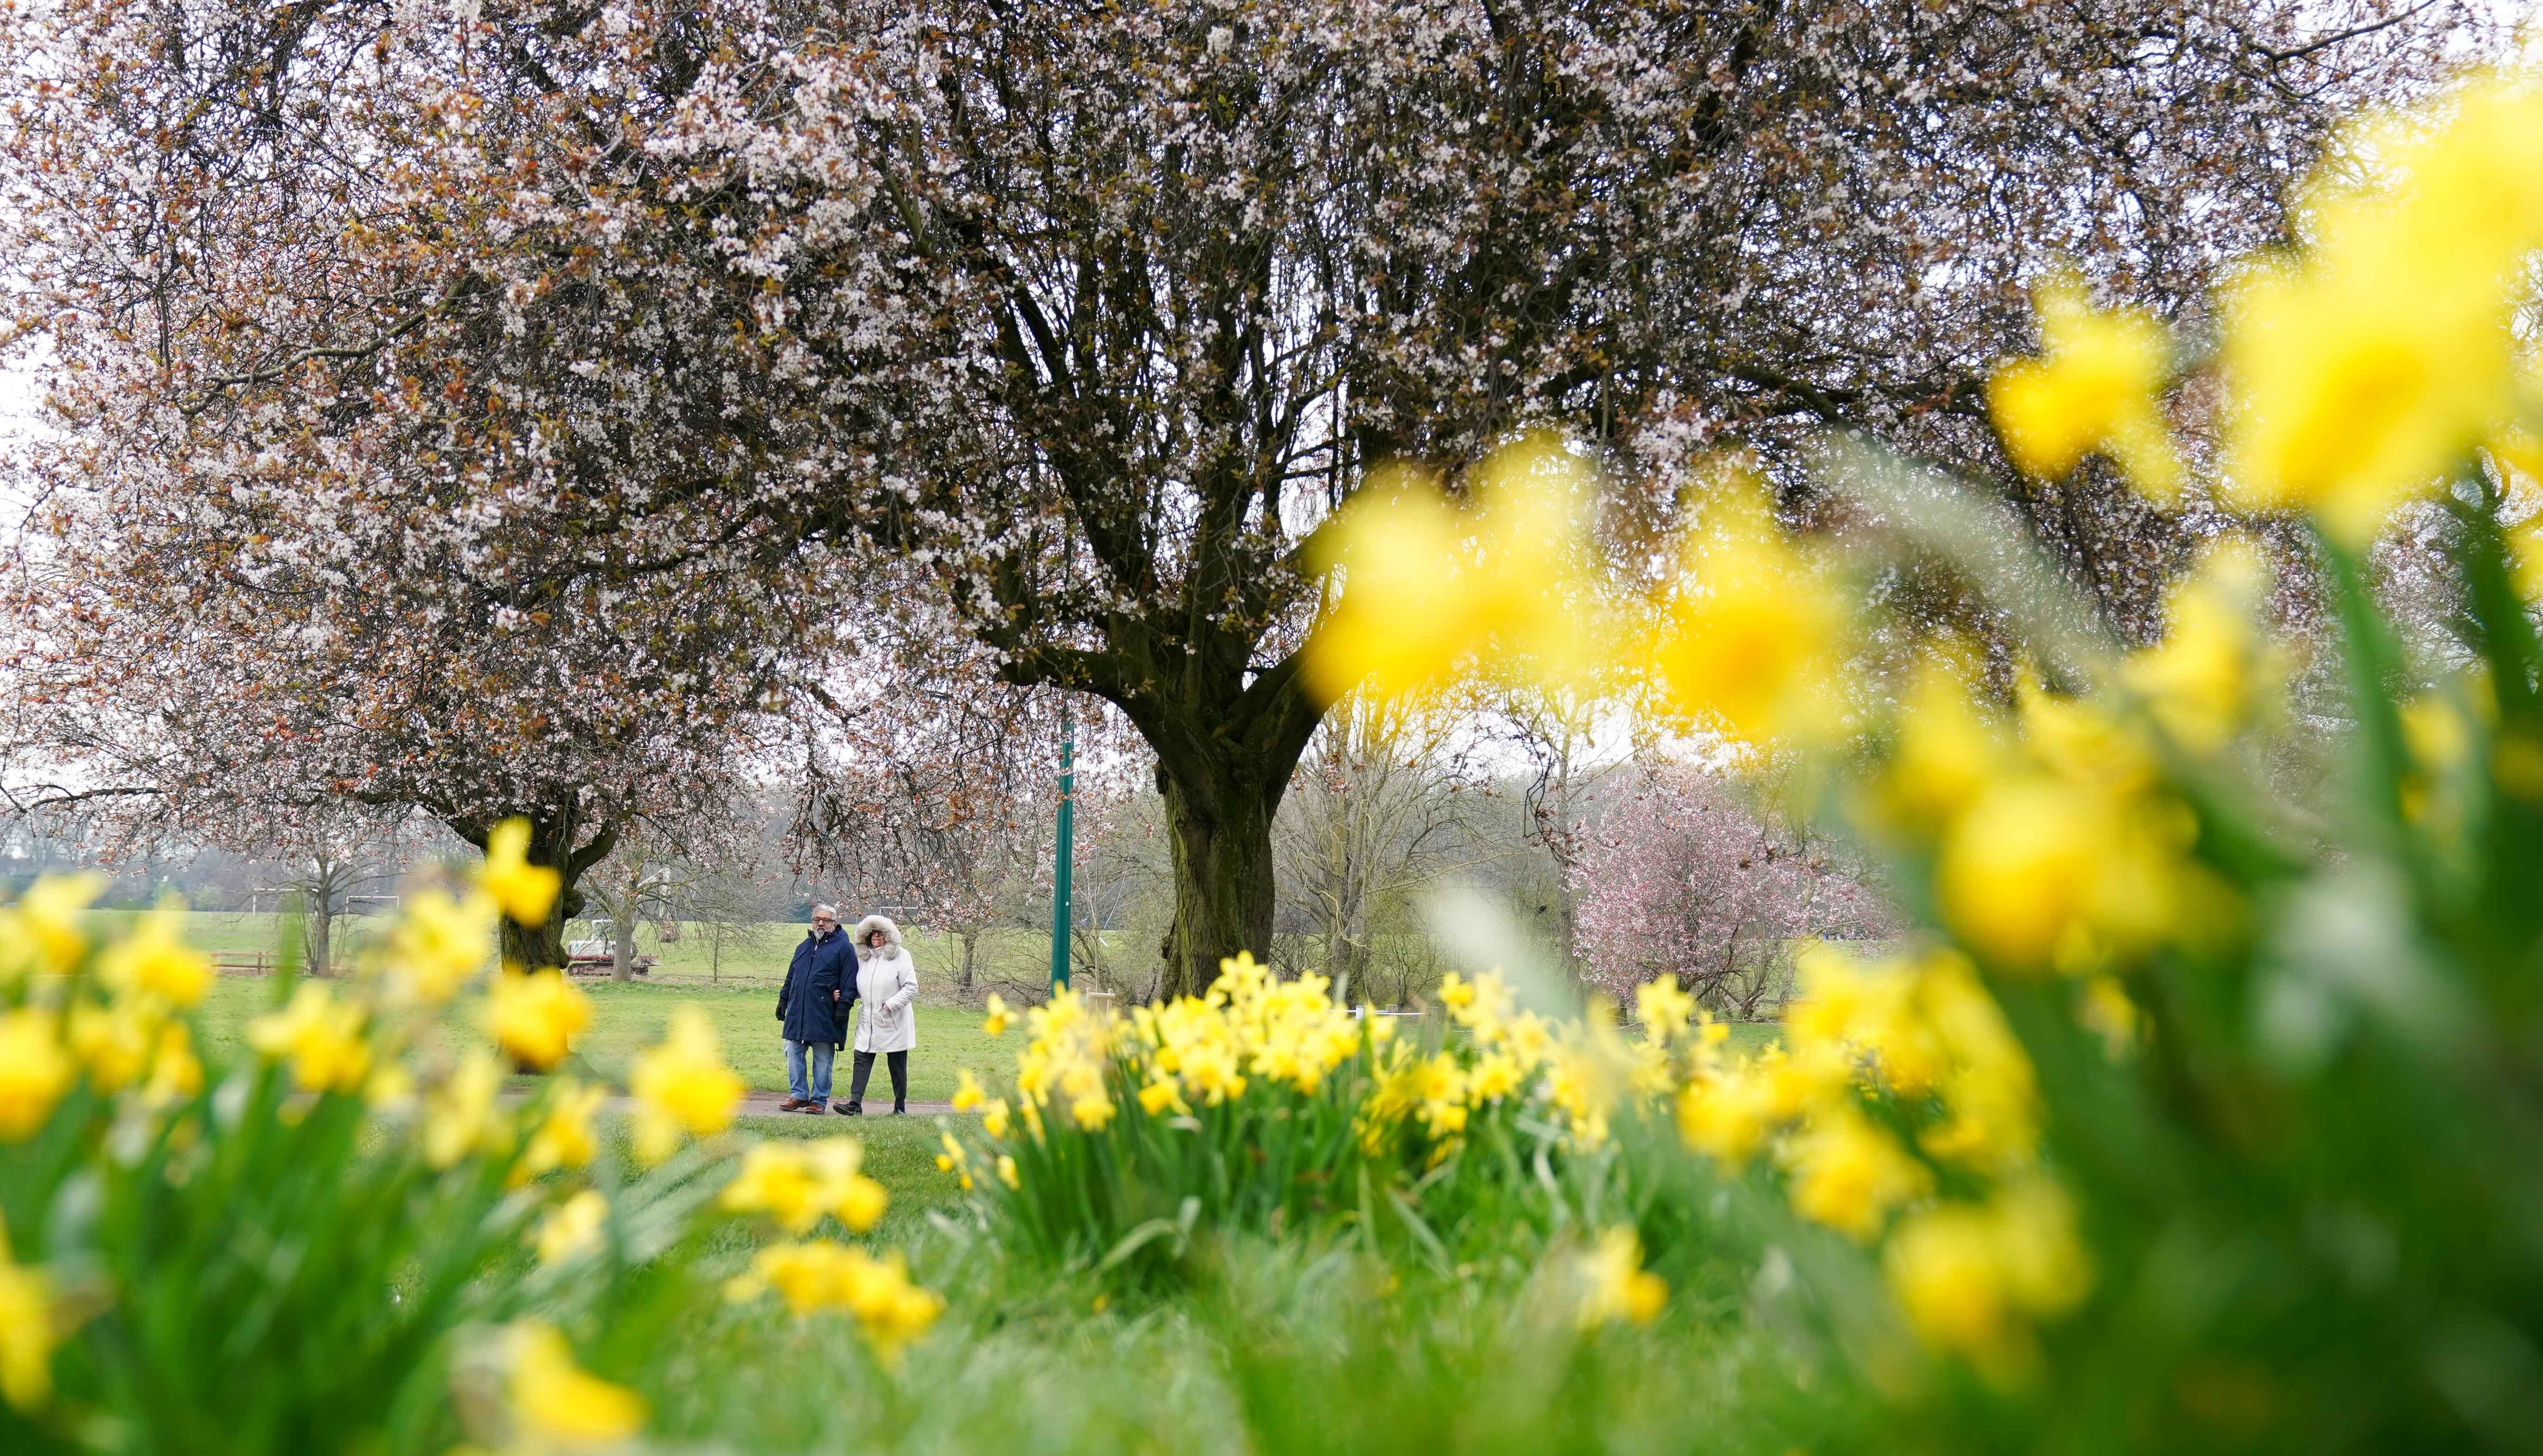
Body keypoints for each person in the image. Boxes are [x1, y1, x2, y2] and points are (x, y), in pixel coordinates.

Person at [775, 904, 859, 1113]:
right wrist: (783, 999)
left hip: (826, 1013)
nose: (821, 923)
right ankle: (799, 1095)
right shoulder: (803, 947)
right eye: (817, 920)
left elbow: (850, 982)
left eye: (826, 920)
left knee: (823, 1058)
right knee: (792, 1050)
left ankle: (819, 1100)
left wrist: (843, 1007)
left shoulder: (844, 948)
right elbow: (791, 977)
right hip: (798, 1011)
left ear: (835, 924)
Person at [842, 913, 918, 1115]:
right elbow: (863, 986)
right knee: (861, 1057)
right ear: (866, 936)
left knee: (897, 1064)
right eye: (872, 933)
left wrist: (890, 1005)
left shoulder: (902, 956)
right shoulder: (863, 959)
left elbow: (911, 987)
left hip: (893, 1019)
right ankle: (855, 1104)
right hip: (868, 1018)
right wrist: (846, 994)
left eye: (881, 933)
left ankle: (900, 1106)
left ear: (888, 936)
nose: (877, 936)